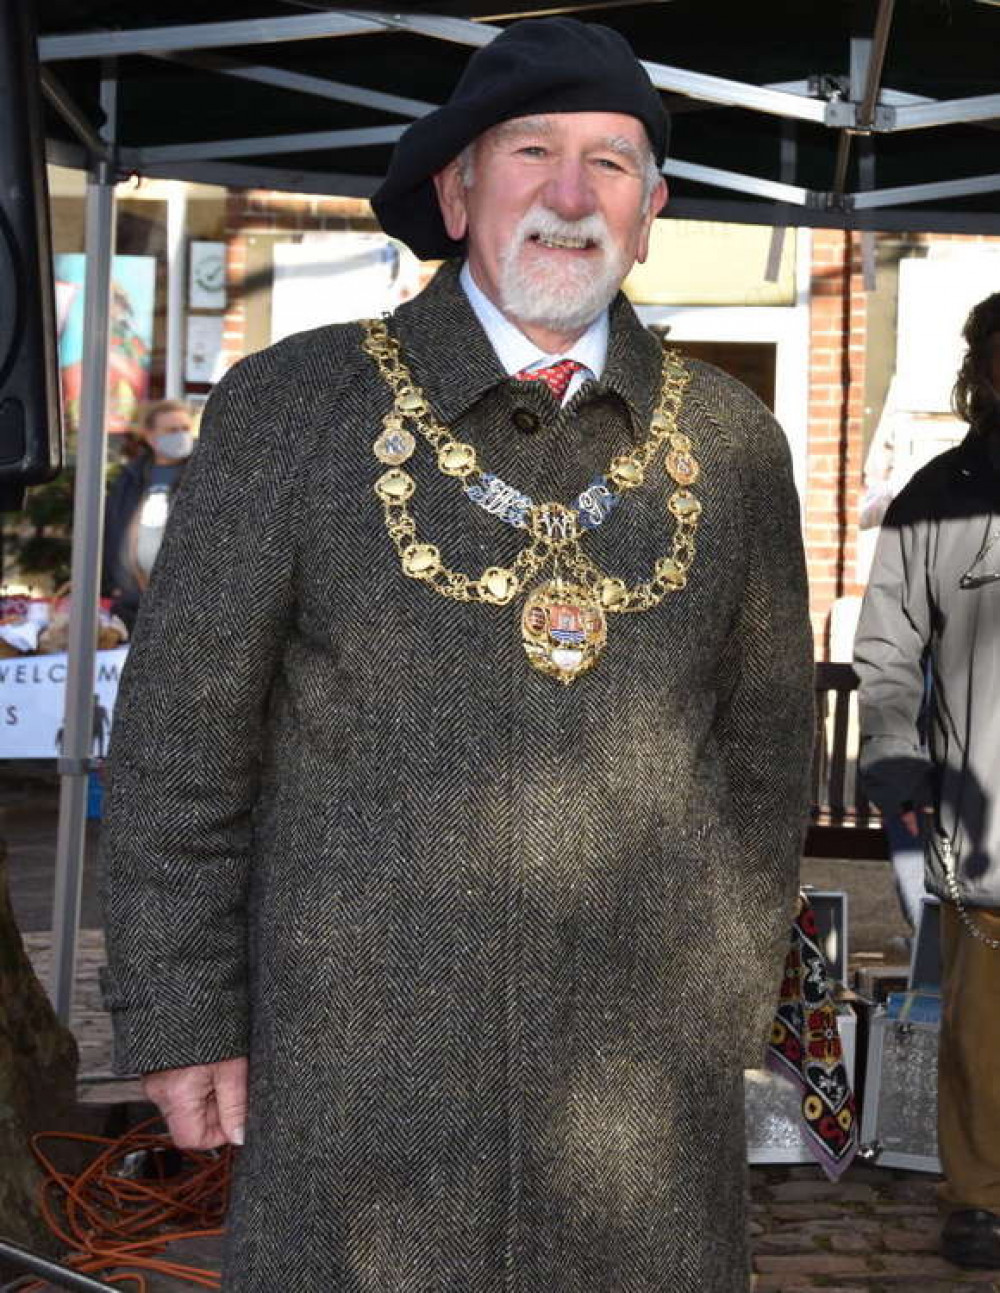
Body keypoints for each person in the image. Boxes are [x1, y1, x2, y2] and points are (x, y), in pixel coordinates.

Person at [100, 19, 814, 1291]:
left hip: (635, 1111)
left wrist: (713, 1009)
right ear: (454, 191)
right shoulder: (294, 408)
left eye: (610, 163)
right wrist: (184, 1013)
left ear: (651, 212)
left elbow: (763, 763)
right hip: (353, 1086)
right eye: (530, 151)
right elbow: (179, 744)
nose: (566, 194)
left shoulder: (736, 442)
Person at [854, 291, 1000, 1271]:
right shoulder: (938, 495)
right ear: (981, 372)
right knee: (983, 1041)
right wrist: (896, 760)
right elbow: (885, 652)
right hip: (984, 818)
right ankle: (980, 1199)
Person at [102, 399, 195, 632]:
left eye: (185, 429)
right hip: (131, 603)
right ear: (151, 436)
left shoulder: (202, 475)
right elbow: (111, 527)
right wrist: (111, 583)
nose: (181, 436)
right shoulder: (130, 477)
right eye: (172, 430)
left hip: (183, 604)